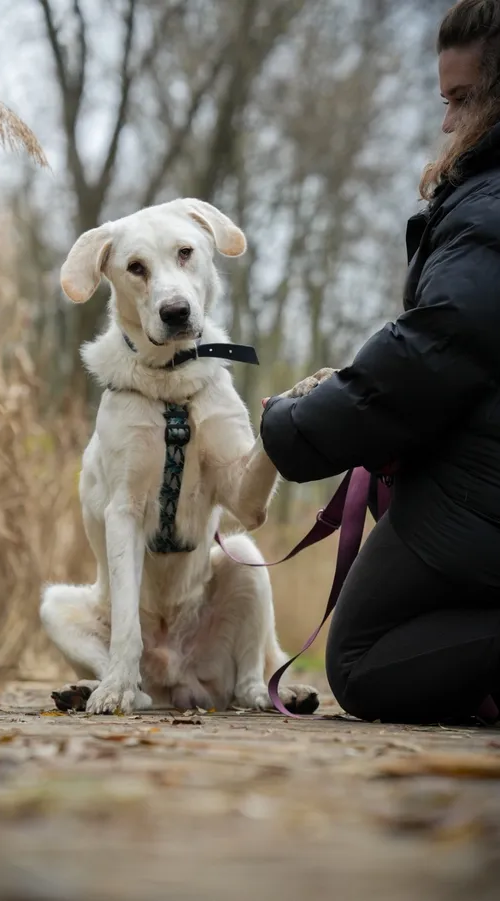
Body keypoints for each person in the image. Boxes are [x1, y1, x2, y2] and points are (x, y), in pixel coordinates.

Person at [260, 0, 500, 726]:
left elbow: (436, 344)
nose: (445, 123)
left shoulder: (490, 205)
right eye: (444, 100)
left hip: (478, 495)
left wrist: (293, 428)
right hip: (474, 483)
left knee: (362, 660)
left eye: (462, 101)